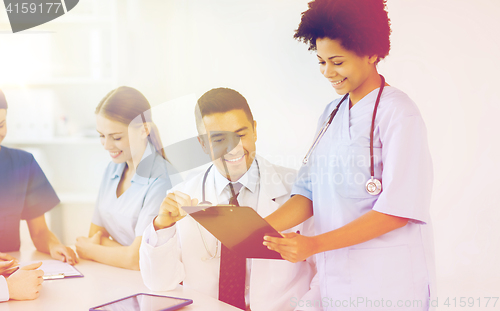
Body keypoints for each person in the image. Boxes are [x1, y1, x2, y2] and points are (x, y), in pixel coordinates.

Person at [263, 1, 434, 310]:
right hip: (336, 278)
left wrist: (312, 245)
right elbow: (307, 193)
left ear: (371, 53)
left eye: (337, 62)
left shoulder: (399, 113)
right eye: (321, 61)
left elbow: (397, 210)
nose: (327, 72)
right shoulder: (331, 113)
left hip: (387, 284)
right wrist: (257, 230)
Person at [139, 88, 320, 311]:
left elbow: (325, 270)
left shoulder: (298, 190)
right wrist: (162, 226)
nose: (233, 148)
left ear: (254, 130)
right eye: (218, 139)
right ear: (203, 144)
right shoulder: (182, 195)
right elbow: (159, 282)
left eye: (241, 134)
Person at [75, 86, 177, 270]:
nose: (106, 145)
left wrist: (89, 250)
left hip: (155, 283)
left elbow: (136, 259)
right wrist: (123, 253)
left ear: (144, 130)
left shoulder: (161, 181)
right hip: (117, 274)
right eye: (101, 136)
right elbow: (95, 234)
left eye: (116, 137)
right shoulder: (112, 169)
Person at [0, 88, 77, 265]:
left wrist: (53, 245)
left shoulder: (22, 164)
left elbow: (40, 232)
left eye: (1, 125)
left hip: (14, 273)